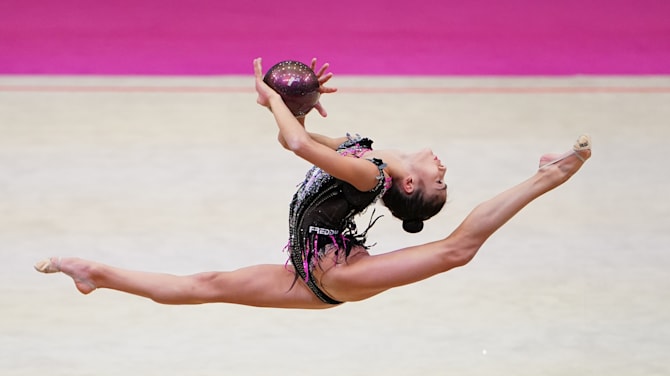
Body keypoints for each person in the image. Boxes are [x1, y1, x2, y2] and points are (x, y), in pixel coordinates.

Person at [34, 57, 592, 309]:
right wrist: (302, 104)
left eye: (438, 183)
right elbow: (295, 137)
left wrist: (273, 100)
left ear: (408, 186)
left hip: (335, 275)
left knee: (455, 252)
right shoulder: (371, 153)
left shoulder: (370, 173)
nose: (443, 169)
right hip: (307, 270)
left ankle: (548, 177)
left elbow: (297, 145)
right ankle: (96, 274)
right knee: (203, 284)